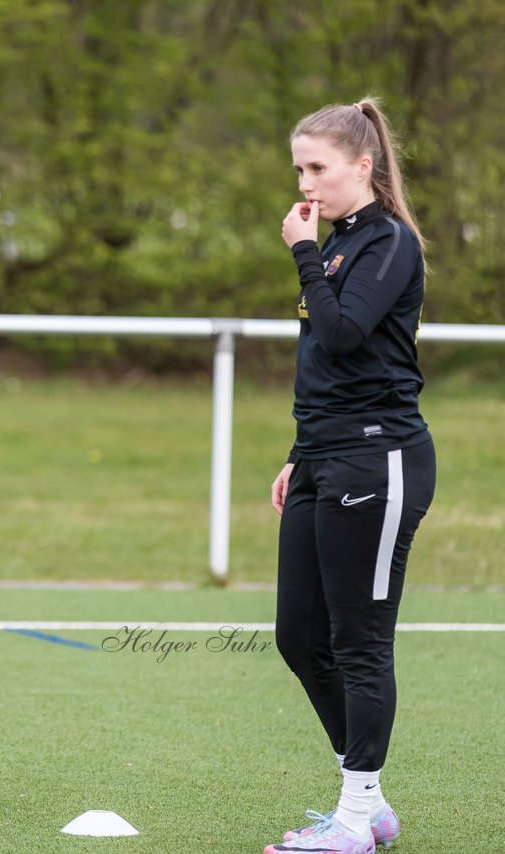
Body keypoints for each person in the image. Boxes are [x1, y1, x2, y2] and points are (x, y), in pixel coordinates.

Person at [264, 98, 436, 854]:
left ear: (362, 166)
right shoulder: (336, 245)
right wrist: (300, 453)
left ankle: (358, 817)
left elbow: (340, 336)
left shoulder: (388, 242)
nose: (306, 184)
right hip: (323, 456)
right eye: (299, 168)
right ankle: (367, 804)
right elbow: (323, 373)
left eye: (318, 168)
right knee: (298, 637)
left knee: (359, 641)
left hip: (380, 456)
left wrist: (301, 250)